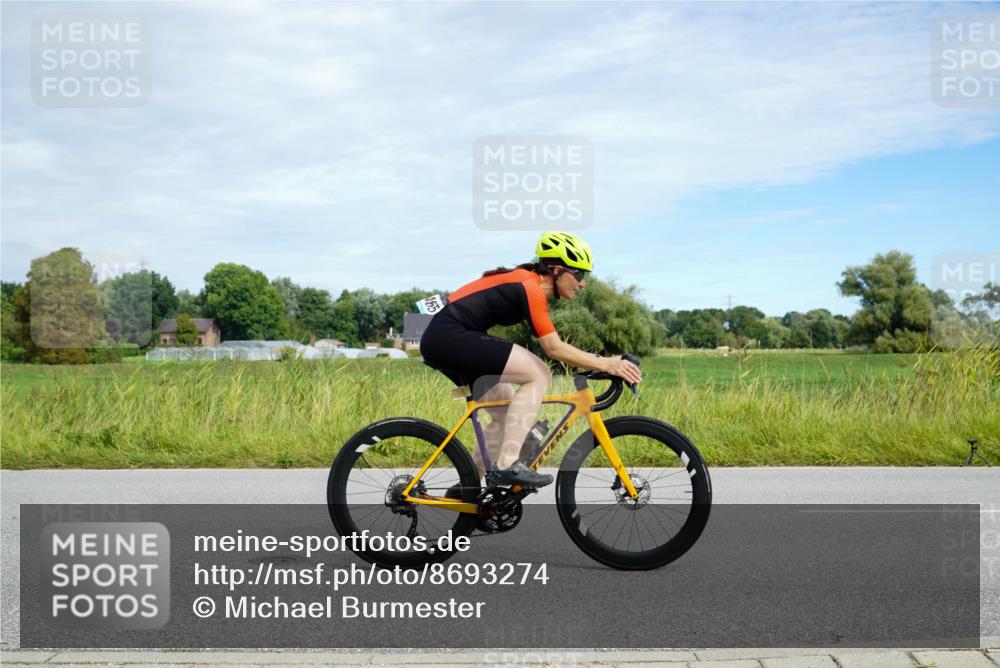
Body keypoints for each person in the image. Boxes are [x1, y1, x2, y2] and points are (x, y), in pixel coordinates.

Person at [420, 231, 643, 490]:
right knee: (539, 373)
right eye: (580, 275)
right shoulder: (530, 286)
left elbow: (555, 344)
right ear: (557, 270)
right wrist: (607, 363)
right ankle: (508, 464)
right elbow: (553, 348)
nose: (582, 284)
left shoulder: (527, 283)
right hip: (448, 336)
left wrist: (602, 361)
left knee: (505, 417)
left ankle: (467, 490)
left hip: (447, 338)